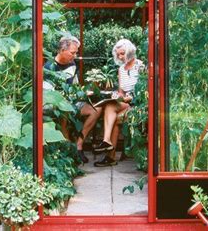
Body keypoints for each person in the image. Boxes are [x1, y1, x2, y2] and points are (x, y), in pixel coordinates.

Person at [44, 35, 102, 164]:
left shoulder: (72, 64)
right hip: (58, 105)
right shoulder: (49, 67)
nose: (75, 56)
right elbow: (48, 95)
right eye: (73, 52)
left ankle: (78, 145)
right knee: (64, 113)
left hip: (72, 102)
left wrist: (83, 92)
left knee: (96, 109)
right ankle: (67, 150)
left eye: (76, 52)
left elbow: (75, 86)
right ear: (62, 50)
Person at [93, 39, 144, 167]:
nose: (120, 57)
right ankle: (107, 143)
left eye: (122, 54)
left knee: (113, 116)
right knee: (110, 105)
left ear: (130, 52)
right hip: (126, 102)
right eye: (118, 54)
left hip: (138, 104)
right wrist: (118, 95)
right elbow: (121, 91)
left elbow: (145, 91)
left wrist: (129, 98)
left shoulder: (141, 66)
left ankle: (109, 152)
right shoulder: (121, 69)